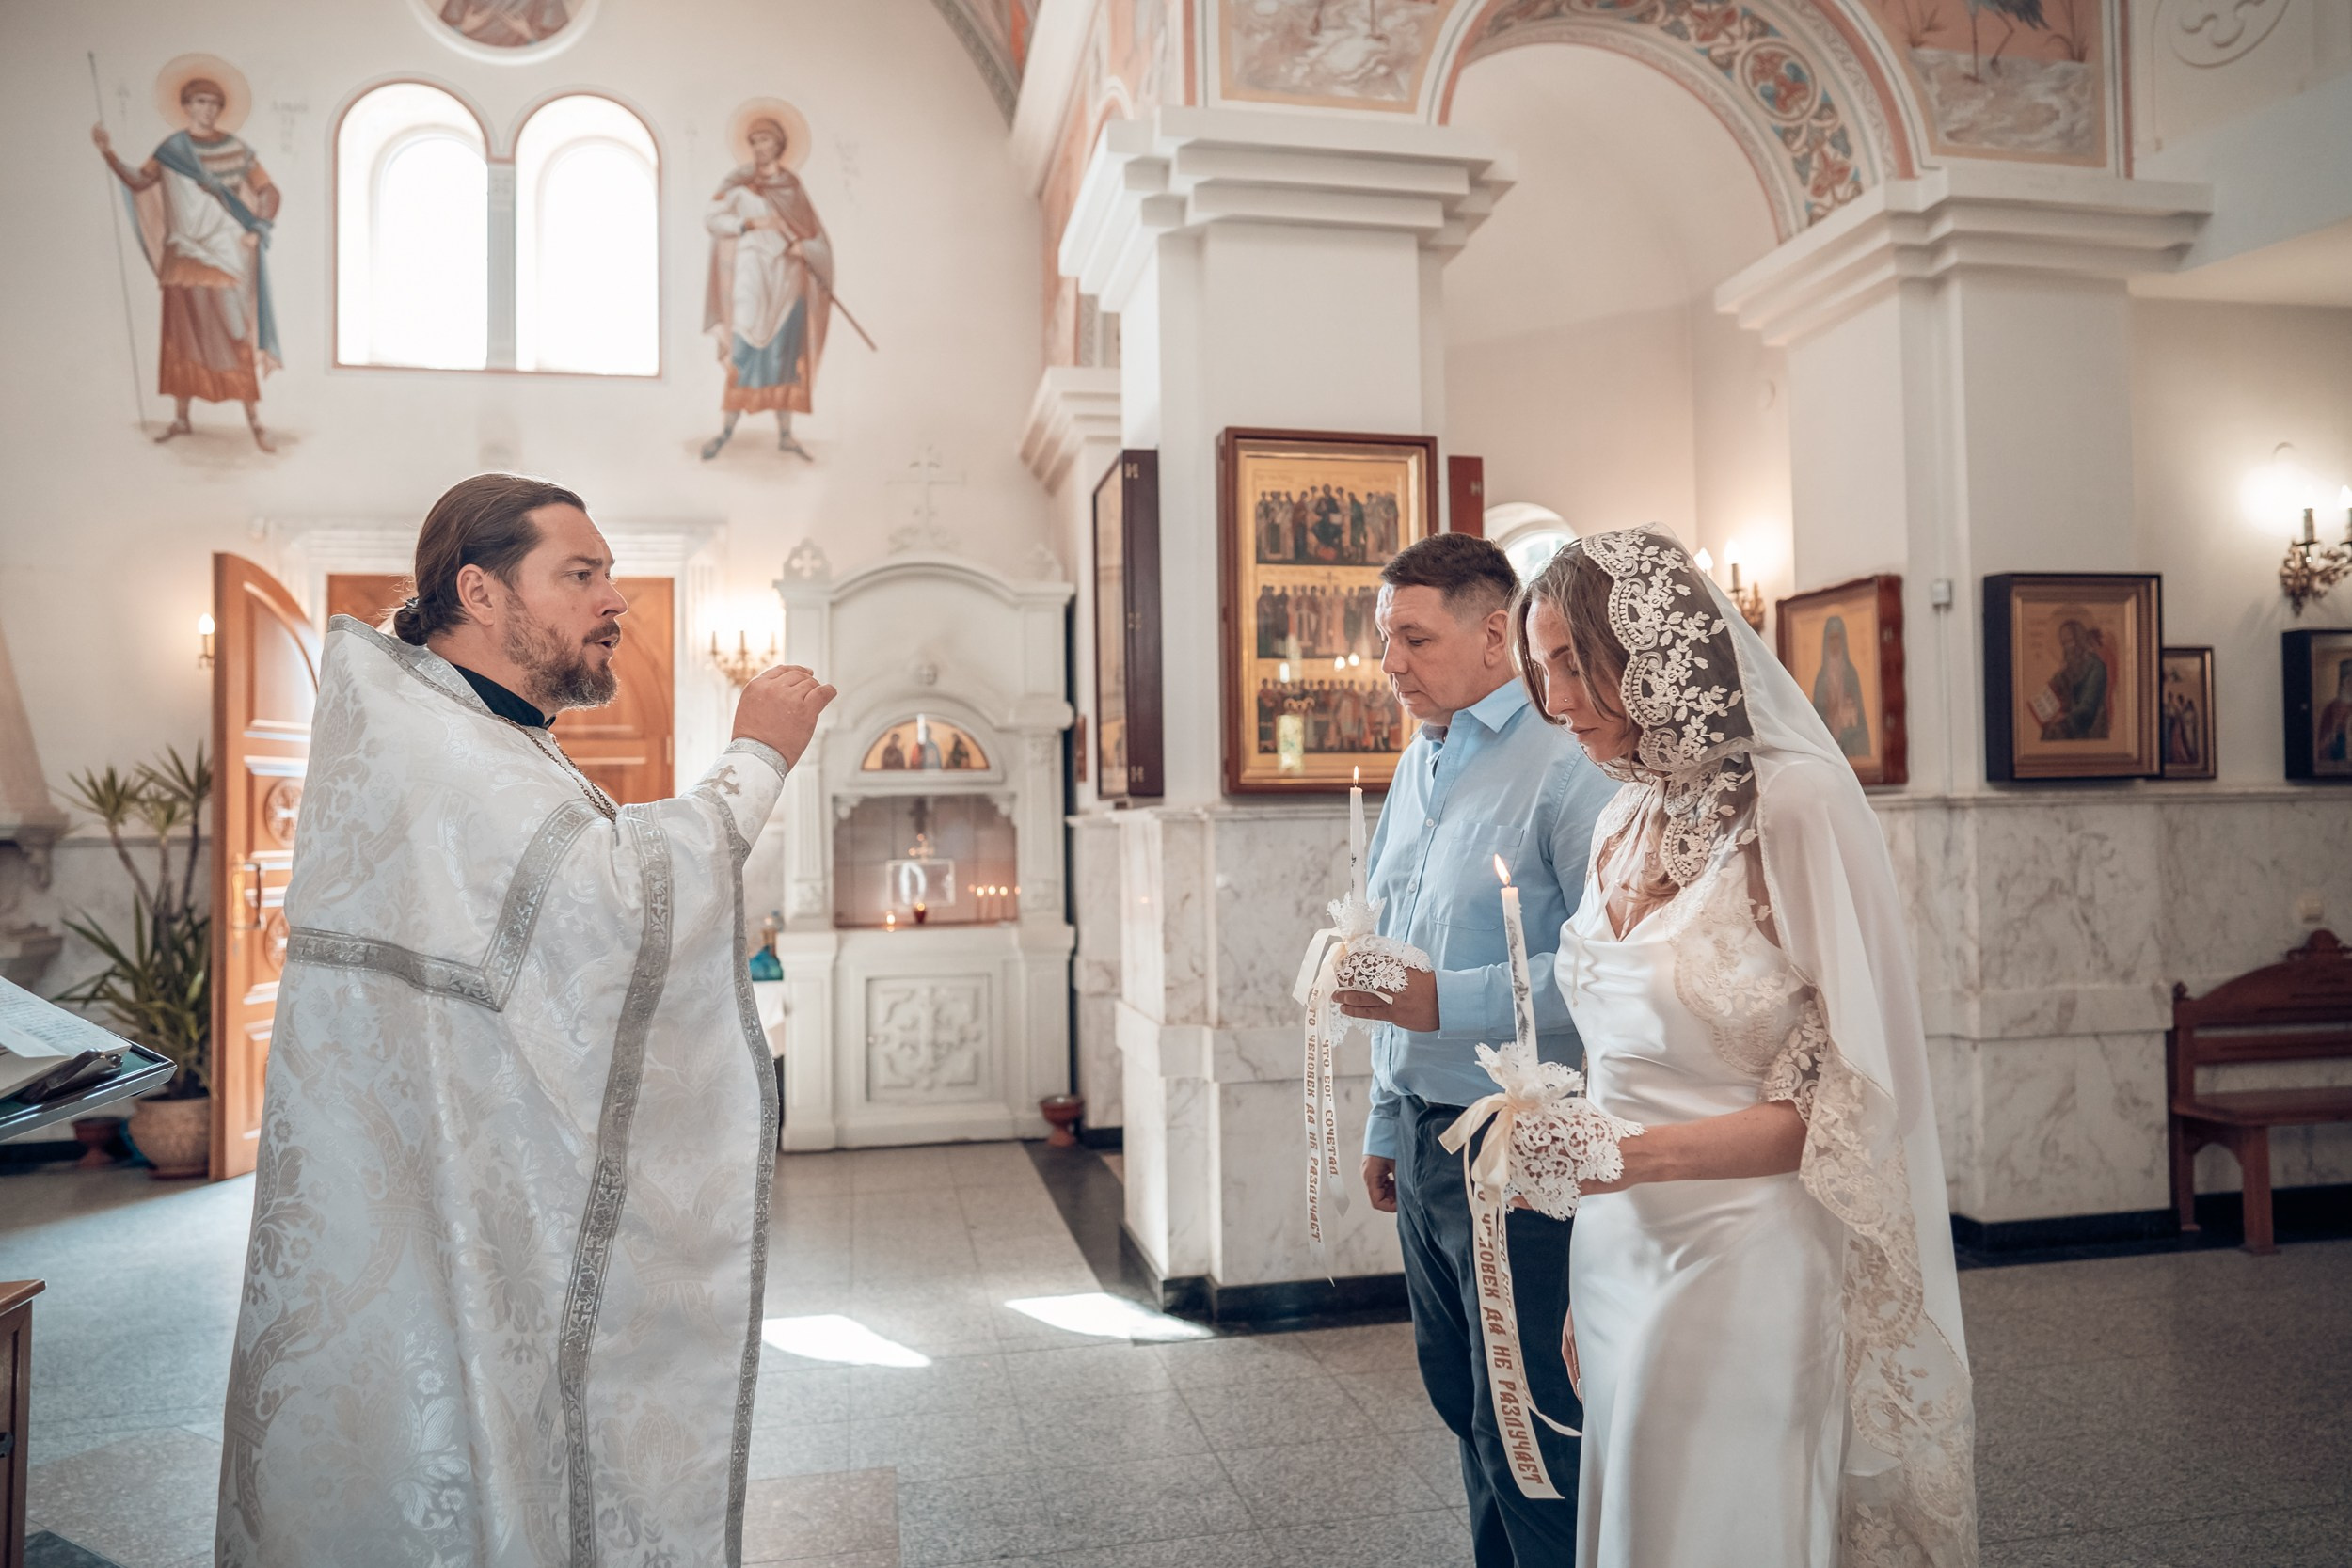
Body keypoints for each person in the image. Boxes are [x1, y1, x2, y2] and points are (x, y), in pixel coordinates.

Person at [216, 474, 837, 1565]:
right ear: (480, 590)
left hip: (481, 1181)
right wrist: (757, 754)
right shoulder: (437, 747)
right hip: (436, 1209)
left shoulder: (470, 728)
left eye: (611, 574)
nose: (614, 599)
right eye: (581, 573)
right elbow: (613, 899)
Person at [1508, 526, 1974, 1568]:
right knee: (1632, 1515)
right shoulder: (1620, 819)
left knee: (1711, 1520)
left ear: (1649, 649)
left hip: (1746, 1249)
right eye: (1542, 671)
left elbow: (1858, 1099)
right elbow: (1615, 1063)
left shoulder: (1795, 807)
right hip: (1616, 1242)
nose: (1556, 700)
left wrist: (1626, 1160)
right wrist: (1588, 1245)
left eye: (1573, 664)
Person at [1333, 532, 1615, 1567]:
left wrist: (1439, 998)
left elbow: (1606, 967)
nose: (1390, 662)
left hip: (1518, 1148)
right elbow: (1392, 937)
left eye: (1414, 638)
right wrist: (1384, 1112)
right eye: (1385, 639)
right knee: (1462, 1403)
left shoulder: (1567, 762)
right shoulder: (1420, 758)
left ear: (1496, 633)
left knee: (1531, 1427)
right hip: (1423, 1137)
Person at [91, 72, 281, 451]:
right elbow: (139, 181)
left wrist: (258, 229)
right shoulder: (172, 149)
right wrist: (108, 152)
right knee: (181, 335)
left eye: (214, 104)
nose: (207, 110)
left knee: (234, 333)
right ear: (186, 106)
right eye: (200, 102)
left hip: (225, 252)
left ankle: (254, 421)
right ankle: (181, 418)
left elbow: (269, 191)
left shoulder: (236, 149)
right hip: (182, 252)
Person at [702, 115, 834, 460]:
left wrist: (804, 248)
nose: (759, 148)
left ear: (779, 146)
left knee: (784, 355)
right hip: (750, 274)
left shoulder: (792, 187)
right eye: (755, 141)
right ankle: (727, 430)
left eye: (766, 141)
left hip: (787, 280)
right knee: (744, 349)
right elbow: (712, 219)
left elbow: (815, 237)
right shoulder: (740, 184)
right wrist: (749, 223)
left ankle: (786, 435)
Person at [1810, 613, 1870, 758]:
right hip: (1827, 745)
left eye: (1838, 638)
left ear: (1843, 640)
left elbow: (1859, 716)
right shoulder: (1821, 677)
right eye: (1831, 638)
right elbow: (1816, 716)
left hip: (1850, 741)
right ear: (1826, 641)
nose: (1834, 643)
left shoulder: (1850, 673)